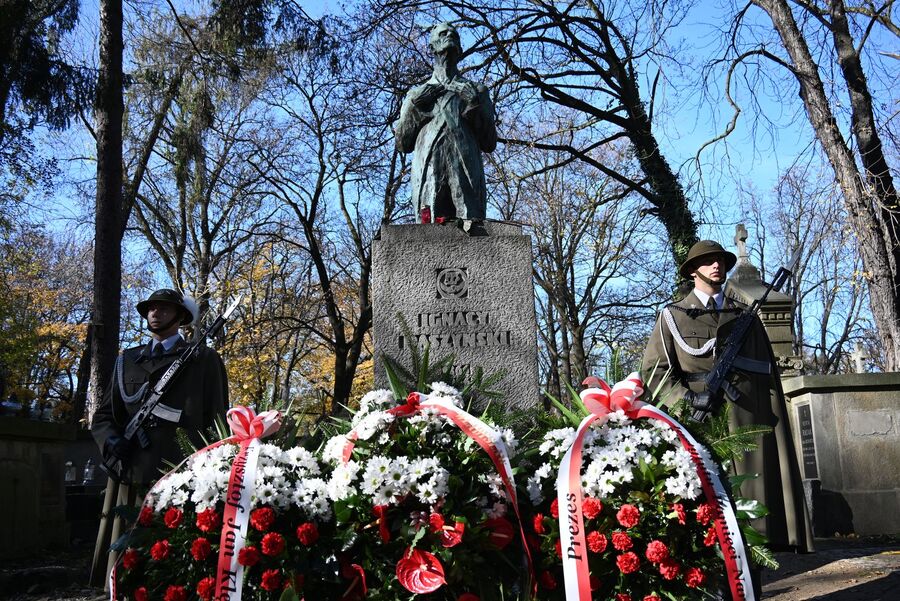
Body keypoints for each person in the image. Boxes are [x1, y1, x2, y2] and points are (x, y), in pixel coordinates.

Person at [642, 241, 814, 557]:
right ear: (692, 270)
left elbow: (767, 374)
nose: (716, 265)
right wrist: (686, 402)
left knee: (752, 521)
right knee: (706, 520)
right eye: (707, 261)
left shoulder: (744, 317)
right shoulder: (673, 317)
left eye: (720, 260)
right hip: (697, 428)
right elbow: (655, 373)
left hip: (746, 425)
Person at [90, 288, 229, 585]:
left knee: (173, 565)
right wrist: (110, 440)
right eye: (151, 308)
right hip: (132, 472)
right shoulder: (126, 360)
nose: (155, 312)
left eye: (164, 308)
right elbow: (103, 416)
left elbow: (217, 419)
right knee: (127, 561)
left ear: (180, 316)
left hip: (180, 473)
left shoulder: (203, 359)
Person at [395, 22, 497, 227]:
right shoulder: (416, 94)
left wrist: (474, 105)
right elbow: (402, 143)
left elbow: (489, 142)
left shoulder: (477, 91)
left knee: (473, 228)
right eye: (443, 33)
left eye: (454, 34)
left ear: (460, 49)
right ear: (432, 47)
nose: (449, 35)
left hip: (467, 172)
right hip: (428, 169)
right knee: (427, 229)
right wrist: (415, 107)